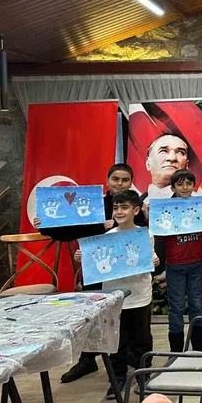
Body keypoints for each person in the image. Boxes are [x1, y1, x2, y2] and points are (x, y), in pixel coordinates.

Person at [33, 163, 145, 384]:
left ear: (131, 183)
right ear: (107, 180)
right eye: (115, 179)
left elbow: (139, 235)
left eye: (125, 180)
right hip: (95, 269)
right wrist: (45, 225)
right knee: (92, 315)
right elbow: (71, 229)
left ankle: (129, 355)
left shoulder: (134, 206)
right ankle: (87, 358)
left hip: (123, 274)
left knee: (127, 317)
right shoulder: (93, 202)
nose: (120, 184)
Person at [75, 190, 158, 399]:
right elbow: (95, 262)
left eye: (124, 207)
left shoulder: (145, 234)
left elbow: (150, 257)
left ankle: (143, 372)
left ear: (136, 210)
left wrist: (154, 260)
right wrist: (83, 257)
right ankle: (118, 377)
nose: (119, 212)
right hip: (114, 296)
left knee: (141, 336)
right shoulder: (107, 237)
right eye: (115, 208)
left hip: (139, 295)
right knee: (115, 339)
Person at [156, 168, 202, 353]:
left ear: (194, 186)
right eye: (180, 184)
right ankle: (176, 348)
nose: (185, 187)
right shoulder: (166, 208)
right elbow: (160, 236)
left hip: (197, 263)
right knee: (176, 307)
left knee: (197, 304)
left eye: (189, 183)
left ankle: (198, 344)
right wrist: (153, 217)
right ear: (173, 187)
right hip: (175, 265)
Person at [143, 134, 190, 199]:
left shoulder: (198, 203)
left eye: (180, 152)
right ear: (148, 163)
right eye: (163, 151)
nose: (172, 158)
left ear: (187, 165)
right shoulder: (137, 202)